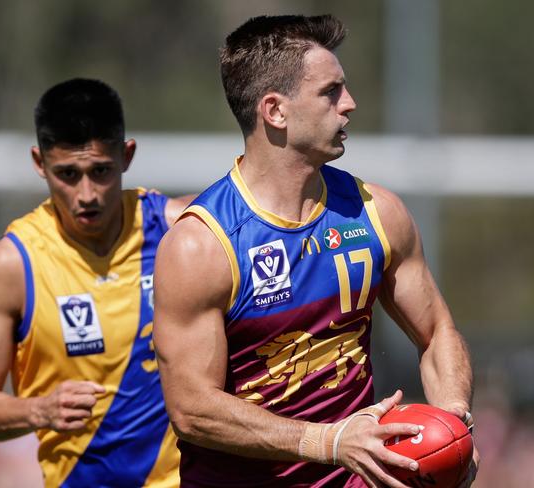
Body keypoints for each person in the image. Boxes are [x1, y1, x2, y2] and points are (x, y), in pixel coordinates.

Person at [153, 15, 478, 488]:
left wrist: (452, 423)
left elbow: (437, 332)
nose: (350, 104)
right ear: (275, 111)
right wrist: (327, 442)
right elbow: (192, 409)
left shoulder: (376, 213)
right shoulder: (201, 245)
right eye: (330, 92)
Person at [0, 78, 192, 488]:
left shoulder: (180, 233)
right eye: (67, 174)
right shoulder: (11, 265)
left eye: (100, 171)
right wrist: (40, 411)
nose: (86, 194)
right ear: (39, 163)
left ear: (126, 155)